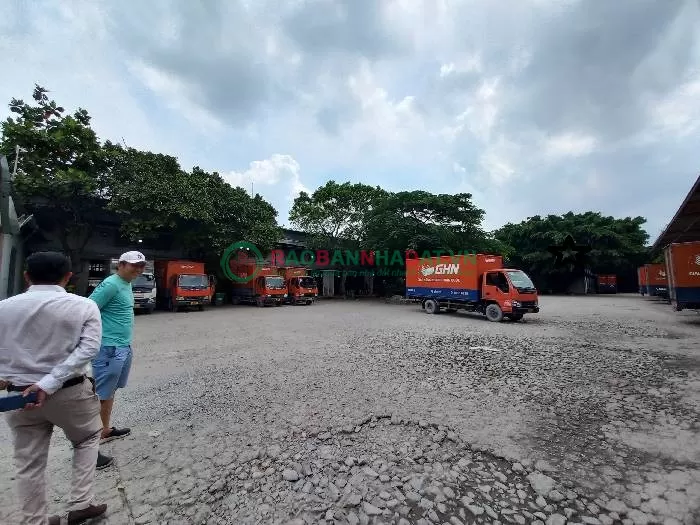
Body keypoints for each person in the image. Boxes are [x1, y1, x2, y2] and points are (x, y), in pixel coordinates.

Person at [0, 251, 107, 525]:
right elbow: (89, 349)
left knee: (28, 462)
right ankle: (81, 503)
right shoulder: (84, 306)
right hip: (69, 391)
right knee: (86, 439)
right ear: (68, 277)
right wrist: (49, 382)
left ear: (26, 276)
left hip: (18, 396)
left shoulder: (4, 308)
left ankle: (35, 520)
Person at [88, 250, 146, 469]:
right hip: (108, 348)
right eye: (133, 265)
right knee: (99, 397)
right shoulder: (111, 284)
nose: (138, 269)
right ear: (120, 265)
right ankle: (89, 450)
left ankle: (104, 430)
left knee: (109, 392)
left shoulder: (126, 283)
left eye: (141, 266)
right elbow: (89, 308)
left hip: (122, 346)